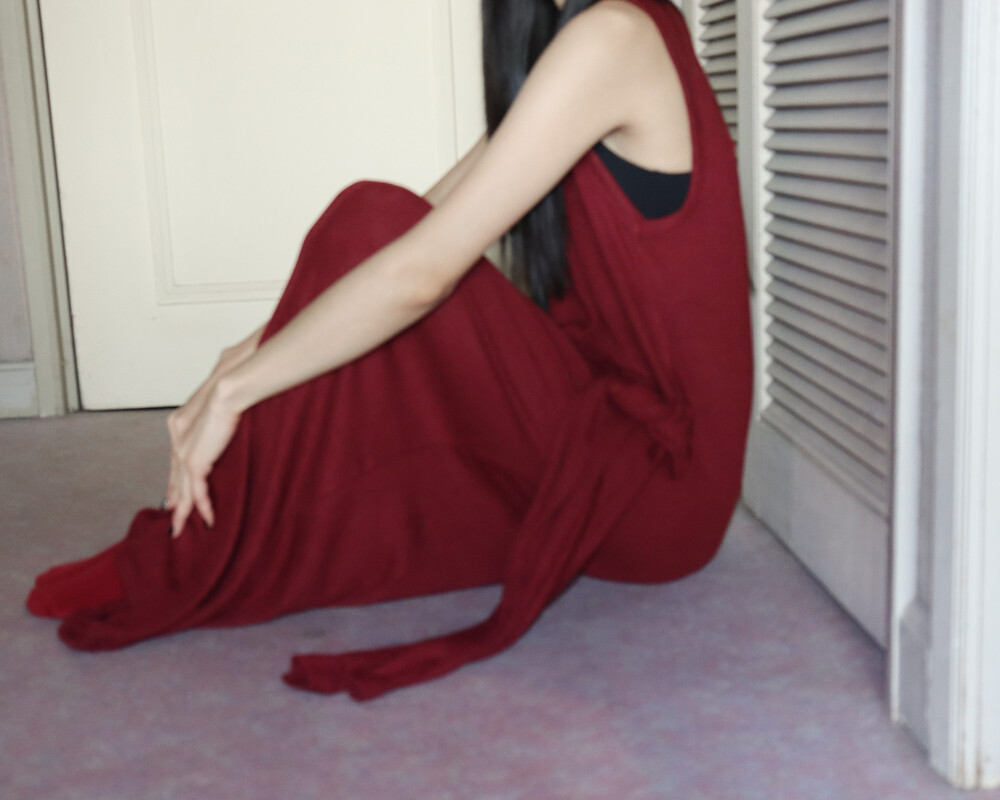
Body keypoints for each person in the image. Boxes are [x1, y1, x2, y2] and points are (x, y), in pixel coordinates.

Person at [26, 0, 752, 700]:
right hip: (605, 428)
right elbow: (421, 226)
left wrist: (235, 395)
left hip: (653, 486)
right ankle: (223, 527)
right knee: (369, 242)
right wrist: (243, 355)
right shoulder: (580, 39)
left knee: (367, 231)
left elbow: (419, 271)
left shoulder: (614, 36)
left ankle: (214, 544)